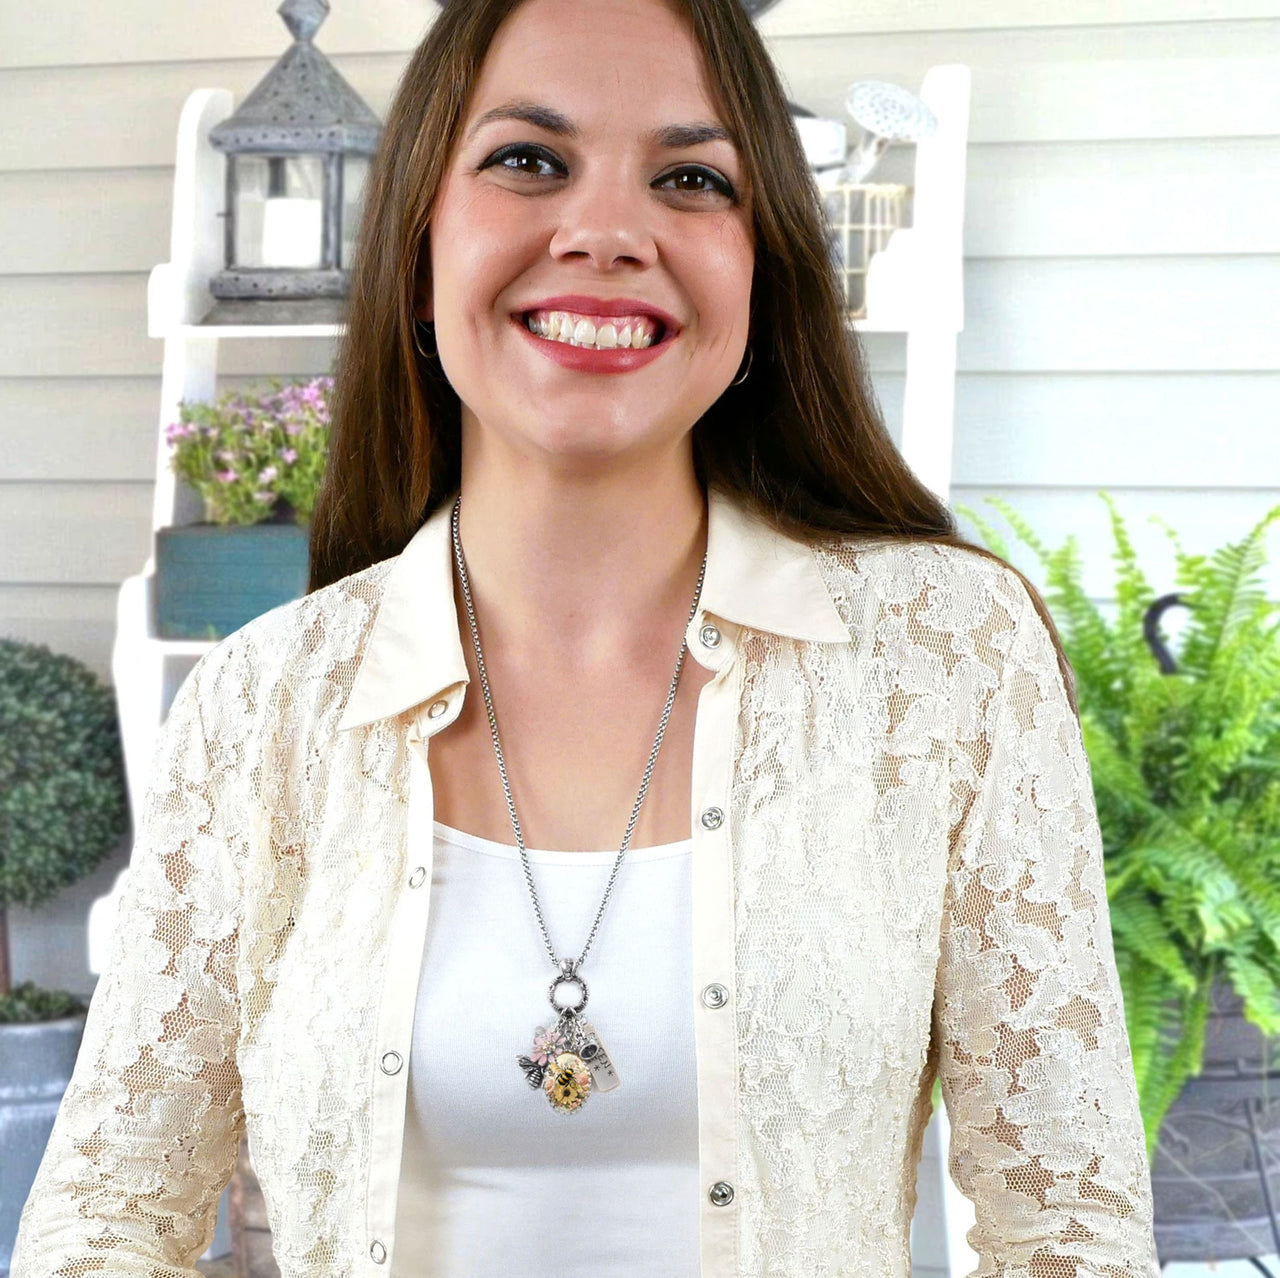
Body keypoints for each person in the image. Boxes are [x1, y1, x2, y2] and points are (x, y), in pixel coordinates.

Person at [12, 0, 1162, 1274]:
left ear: (762, 267)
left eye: (689, 177)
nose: (608, 231)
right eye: (526, 160)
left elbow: (1068, 1230)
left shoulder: (944, 657)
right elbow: (107, 1216)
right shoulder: (262, 703)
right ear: (417, 243)